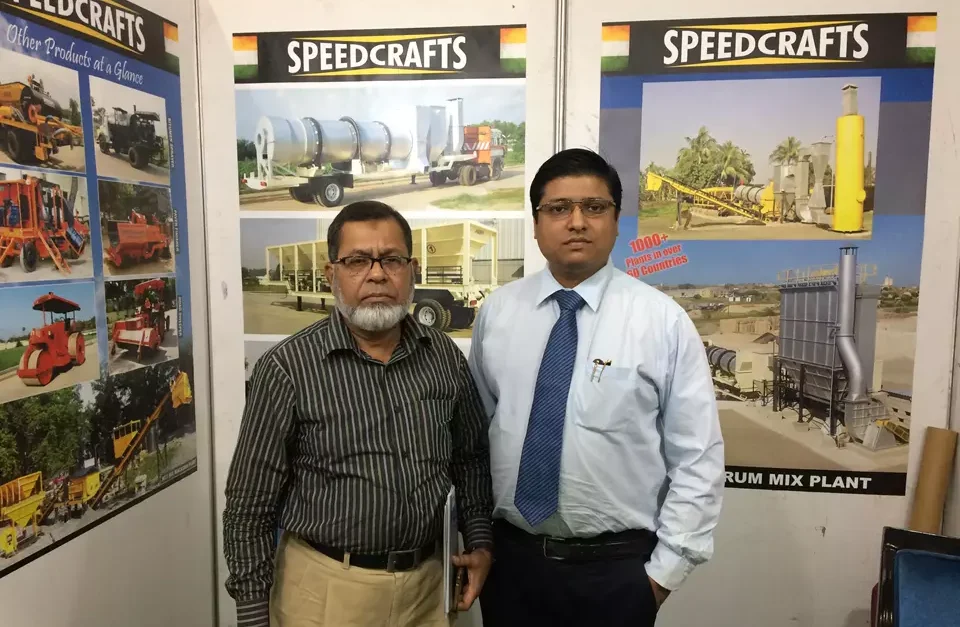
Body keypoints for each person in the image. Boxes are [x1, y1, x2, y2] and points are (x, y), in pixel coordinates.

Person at [469, 149, 725, 627]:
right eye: (558, 208)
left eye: (594, 207)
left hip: (617, 574)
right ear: (536, 223)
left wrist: (660, 578)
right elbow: (476, 438)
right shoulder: (498, 313)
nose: (577, 222)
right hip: (511, 567)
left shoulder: (661, 321)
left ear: (616, 220)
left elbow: (698, 459)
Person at [223, 201, 494, 627]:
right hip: (326, 593)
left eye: (392, 259)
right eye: (357, 261)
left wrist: (479, 542)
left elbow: (470, 457)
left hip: (428, 591)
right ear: (331, 274)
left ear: (412, 270)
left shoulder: (442, 355)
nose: (377, 274)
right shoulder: (288, 368)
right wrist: (253, 616)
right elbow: (249, 504)